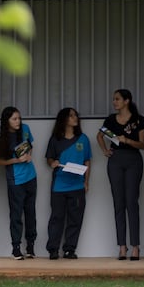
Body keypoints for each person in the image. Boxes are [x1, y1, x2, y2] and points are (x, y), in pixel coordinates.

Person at [97, 88, 144, 260]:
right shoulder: (111, 120)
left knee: (132, 202)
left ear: (127, 101)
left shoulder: (138, 119)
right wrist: (105, 150)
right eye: (114, 99)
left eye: (117, 99)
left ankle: (135, 246)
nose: (114, 102)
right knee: (118, 203)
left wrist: (127, 140)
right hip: (115, 160)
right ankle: (122, 247)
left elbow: (142, 145)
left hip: (133, 160)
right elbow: (99, 136)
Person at [45, 107, 91, 260]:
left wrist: (86, 182)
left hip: (77, 186)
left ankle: (69, 250)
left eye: (75, 115)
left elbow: (87, 161)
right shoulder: (55, 139)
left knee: (75, 219)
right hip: (59, 186)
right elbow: (49, 158)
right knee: (56, 218)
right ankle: (53, 250)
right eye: (71, 116)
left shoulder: (83, 139)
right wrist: (52, 163)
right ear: (64, 119)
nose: (75, 118)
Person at [0, 106, 37, 259]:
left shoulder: (25, 128)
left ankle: (30, 246)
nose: (18, 121)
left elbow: (30, 145)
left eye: (19, 118)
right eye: (14, 119)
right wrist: (16, 160)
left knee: (31, 212)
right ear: (6, 121)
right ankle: (16, 247)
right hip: (15, 180)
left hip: (31, 177)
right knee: (16, 215)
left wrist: (29, 155)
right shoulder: (3, 139)